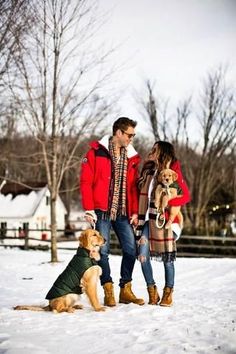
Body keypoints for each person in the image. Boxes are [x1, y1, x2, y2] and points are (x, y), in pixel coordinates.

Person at [80, 117, 144, 307]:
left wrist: (134, 212)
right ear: (119, 133)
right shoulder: (95, 153)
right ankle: (108, 288)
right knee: (104, 251)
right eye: (129, 135)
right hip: (101, 212)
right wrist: (89, 209)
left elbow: (133, 187)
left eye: (133, 135)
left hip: (124, 212)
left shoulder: (131, 157)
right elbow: (85, 182)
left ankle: (125, 289)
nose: (131, 138)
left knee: (131, 249)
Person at [135, 141, 190, 307]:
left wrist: (167, 199)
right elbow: (139, 191)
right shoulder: (148, 169)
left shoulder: (173, 170)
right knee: (143, 255)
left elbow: (185, 196)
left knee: (167, 258)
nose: (151, 150)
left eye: (155, 149)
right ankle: (152, 290)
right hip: (148, 219)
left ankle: (168, 292)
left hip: (167, 221)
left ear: (163, 152)